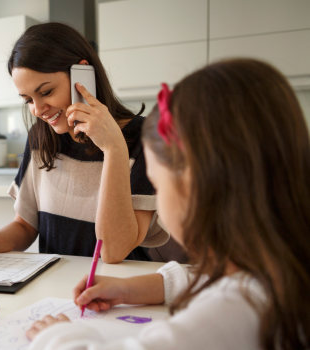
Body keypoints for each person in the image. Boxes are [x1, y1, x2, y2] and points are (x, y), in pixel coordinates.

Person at [25, 58, 310, 349]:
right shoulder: (282, 270)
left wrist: (57, 337)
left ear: (196, 186)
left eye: (158, 187)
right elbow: (204, 277)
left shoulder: (232, 309)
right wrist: (131, 287)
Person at [0, 22, 186, 263]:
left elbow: (113, 251)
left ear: (82, 74)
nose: (38, 110)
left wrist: (114, 148)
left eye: (46, 92)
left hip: (120, 293)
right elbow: (26, 225)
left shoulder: (144, 139)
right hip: (55, 290)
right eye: (28, 99)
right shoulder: (40, 139)